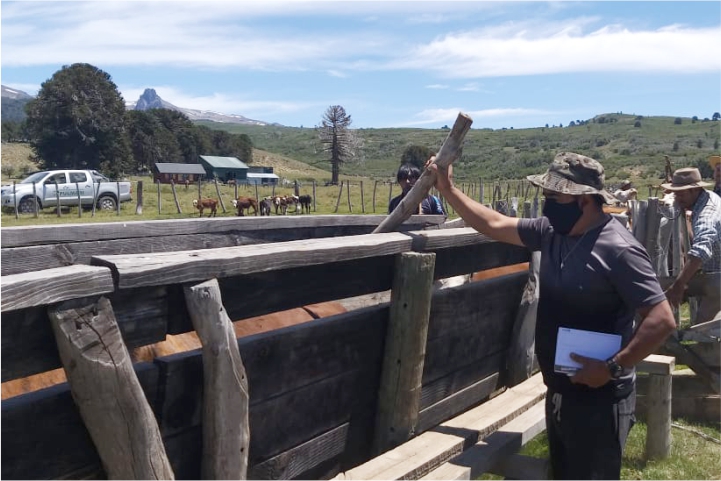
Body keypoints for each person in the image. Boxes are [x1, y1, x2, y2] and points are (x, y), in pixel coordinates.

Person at [427, 151, 676, 480]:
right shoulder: (552, 232)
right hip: (561, 390)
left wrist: (612, 367)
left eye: (554, 197)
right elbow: (494, 223)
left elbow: (662, 319)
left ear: (584, 200)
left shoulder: (619, 249)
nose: (547, 204)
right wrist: (447, 189)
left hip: (601, 400)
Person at [661, 167, 721, 326]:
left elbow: (701, 249)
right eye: (675, 193)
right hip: (714, 272)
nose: (677, 197)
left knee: (706, 329)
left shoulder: (706, 214)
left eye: (681, 193)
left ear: (695, 190)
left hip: (718, 277)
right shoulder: (708, 197)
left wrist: (679, 285)